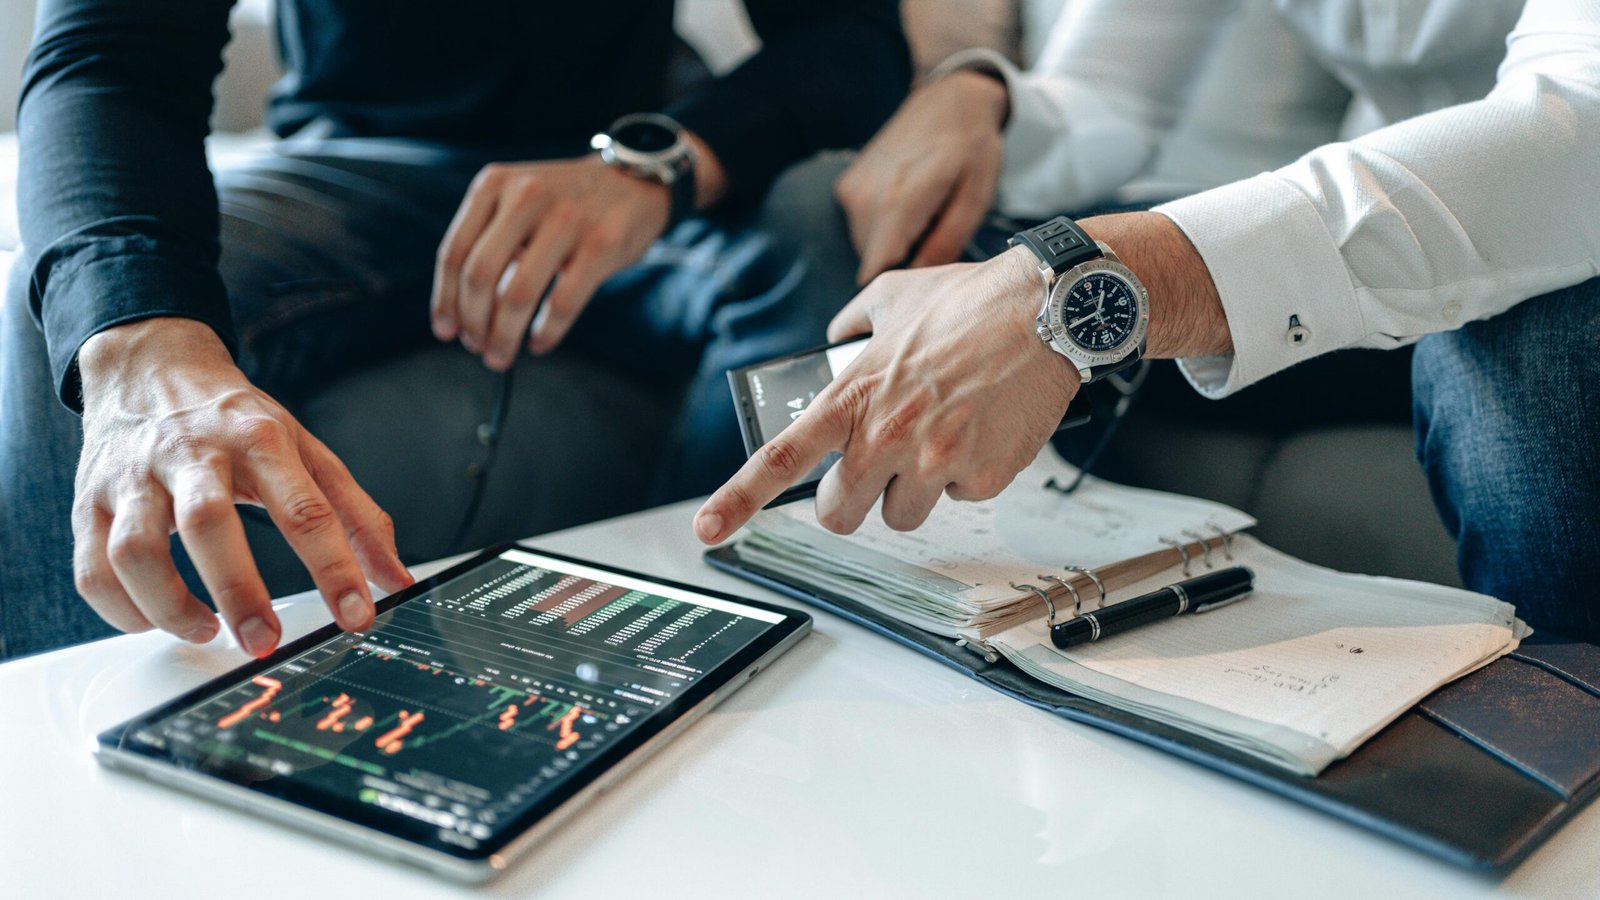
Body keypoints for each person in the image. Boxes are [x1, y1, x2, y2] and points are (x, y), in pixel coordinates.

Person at [0, 0, 909, 661]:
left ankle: (712, 645)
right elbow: (108, 58)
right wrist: (141, 344)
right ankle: (78, 758)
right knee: (84, 314)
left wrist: (660, 164)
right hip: (357, 165)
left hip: (639, 176)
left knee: (822, 231)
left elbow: (847, 37)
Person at [695, 0, 1600, 643]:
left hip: (1558, 237)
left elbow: (1576, 132)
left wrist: (1086, 282)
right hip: (1374, 243)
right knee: (876, 220)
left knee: (1526, 331)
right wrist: (980, 97)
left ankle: (1558, 764)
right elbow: (1111, 94)